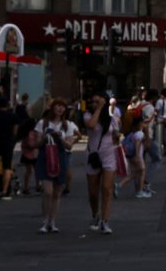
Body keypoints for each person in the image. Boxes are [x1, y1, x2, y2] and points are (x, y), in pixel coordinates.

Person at [35, 98, 78, 233]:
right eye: (58, 106)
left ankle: (52, 221)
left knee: (57, 192)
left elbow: (70, 145)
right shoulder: (42, 123)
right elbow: (37, 144)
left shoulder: (68, 125)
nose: (60, 109)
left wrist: (60, 137)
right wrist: (46, 135)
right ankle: (45, 220)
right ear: (52, 108)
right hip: (45, 158)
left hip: (61, 158)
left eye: (63, 106)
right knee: (48, 191)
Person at [82, 95, 120, 234]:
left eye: (97, 102)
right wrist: (99, 109)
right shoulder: (87, 115)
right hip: (92, 156)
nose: (94, 104)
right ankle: (95, 215)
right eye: (93, 102)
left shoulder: (111, 118)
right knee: (93, 192)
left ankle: (105, 221)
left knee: (107, 189)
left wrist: (116, 135)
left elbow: (115, 135)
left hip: (108, 156)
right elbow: (91, 125)